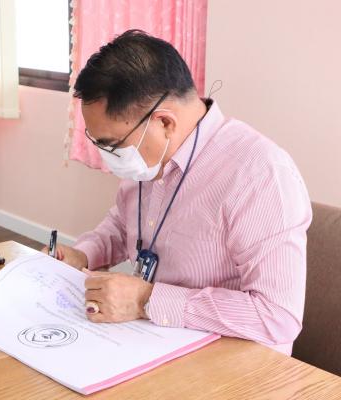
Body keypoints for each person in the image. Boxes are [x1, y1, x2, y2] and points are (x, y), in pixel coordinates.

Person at [49, 29, 312, 356]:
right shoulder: (149, 157)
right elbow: (123, 224)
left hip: (236, 361)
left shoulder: (259, 174)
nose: (106, 156)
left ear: (164, 123)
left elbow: (277, 317)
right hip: (156, 338)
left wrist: (146, 300)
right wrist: (85, 254)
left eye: (112, 145)